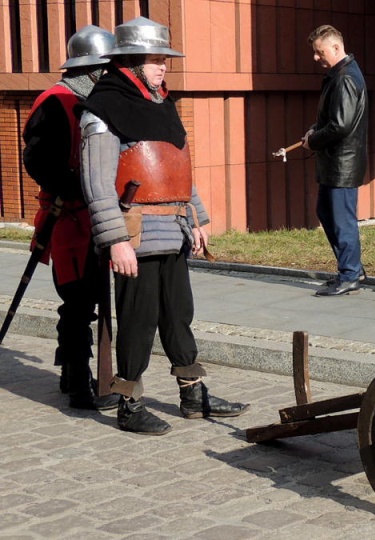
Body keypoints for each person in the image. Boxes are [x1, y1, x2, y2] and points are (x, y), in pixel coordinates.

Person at [77, 17, 247, 435]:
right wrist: (115, 239)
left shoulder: (163, 104)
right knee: (137, 319)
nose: (163, 67)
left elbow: (178, 169)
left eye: (164, 59)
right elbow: (96, 183)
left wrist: (198, 218)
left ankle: (193, 394)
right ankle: (130, 404)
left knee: (178, 314)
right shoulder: (102, 109)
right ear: (131, 62)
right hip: (135, 234)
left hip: (173, 228)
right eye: (156, 60)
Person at [21, 25, 120, 411]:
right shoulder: (55, 101)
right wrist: (78, 186)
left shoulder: (97, 101)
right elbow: (37, 160)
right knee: (77, 302)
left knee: (91, 297)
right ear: (92, 68)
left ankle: (72, 374)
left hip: (94, 215)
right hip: (69, 218)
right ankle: (78, 379)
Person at [302, 25, 370, 296]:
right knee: (328, 213)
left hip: (342, 163)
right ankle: (351, 268)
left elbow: (340, 126)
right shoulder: (342, 75)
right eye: (315, 53)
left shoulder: (344, 78)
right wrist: (313, 131)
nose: (316, 58)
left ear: (335, 48)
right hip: (336, 163)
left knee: (341, 219)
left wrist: (313, 139)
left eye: (319, 52)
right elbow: (335, 120)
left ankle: (350, 274)